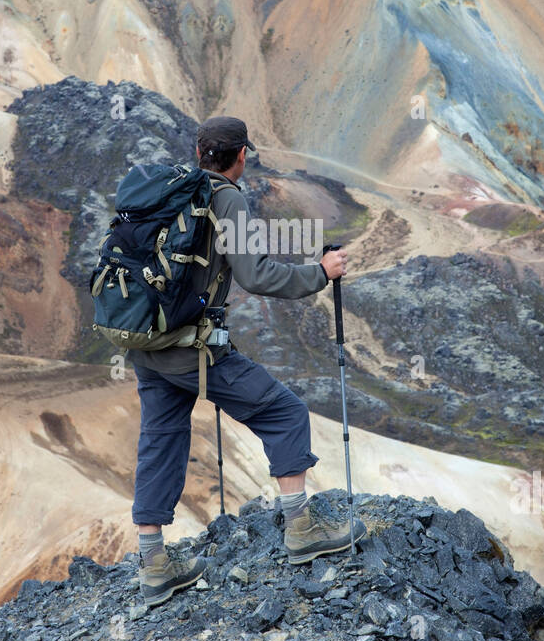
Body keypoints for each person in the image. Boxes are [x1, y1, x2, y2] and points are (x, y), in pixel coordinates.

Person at [129, 115, 367, 606]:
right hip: (193, 350)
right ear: (241, 157)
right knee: (284, 412)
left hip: (147, 343)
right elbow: (256, 274)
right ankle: (300, 528)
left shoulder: (166, 192)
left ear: (199, 153)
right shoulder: (226, 199)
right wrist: (319, 273)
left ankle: (154, 564)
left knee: (159, 439)